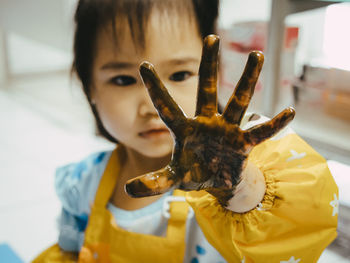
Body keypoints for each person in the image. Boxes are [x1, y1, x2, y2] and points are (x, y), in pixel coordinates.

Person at [33, 0, 338, 262]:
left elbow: (295, 232)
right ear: (90, 89)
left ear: (214, 74)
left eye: (179, 74)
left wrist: (239, 188)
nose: (151, 106)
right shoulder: (82, 182)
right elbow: (69, 253)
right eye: (123, 80)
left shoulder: (242, 187)